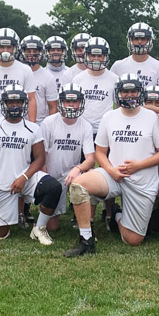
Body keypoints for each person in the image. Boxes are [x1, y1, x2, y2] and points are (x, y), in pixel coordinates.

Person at [64, 74, 159, 255]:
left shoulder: (152, 118)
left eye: (133, 91)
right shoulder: (109, 117)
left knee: (133, 240)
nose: (129, 95)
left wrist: (138, 166)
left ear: (140, 93)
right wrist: (111, 170)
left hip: (142, 182)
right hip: (113, 176)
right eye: (125, 91)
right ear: (118, 93)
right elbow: (100, 152)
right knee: (78, 185)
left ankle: (116, 214)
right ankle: (86, 239)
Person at [0, 84, 62, 243]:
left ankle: (39, 228)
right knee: (0, 235)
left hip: (27, 178)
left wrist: (24, 177)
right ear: (4, 104)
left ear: (25, 104)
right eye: (10, 102)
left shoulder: (33, 128)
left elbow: (40, 158)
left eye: (19, 102)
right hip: (1, 185)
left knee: (53, 187)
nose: (15, 105)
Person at [40, 84, 95, 232]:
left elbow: (90, 159)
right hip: (52, 174)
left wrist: (78, 169)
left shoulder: (86, 126)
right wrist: (46, 179)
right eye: (67, 101)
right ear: (61, 102)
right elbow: (42, 154)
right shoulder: (49, 122)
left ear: (81, 102)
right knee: (51, 227)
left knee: (90, 174)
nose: (71, 105)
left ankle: (87, 220)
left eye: (75, 101)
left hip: (72, 175)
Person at [111, 23, 159, 108]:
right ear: (130, 40)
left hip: (150, 114)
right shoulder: (118, 66)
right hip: (124, 114)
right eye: (136, 38)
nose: (139, 42)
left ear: (149, 40)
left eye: (143, 38)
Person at [70, 37, 120, 134]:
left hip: (105, 129)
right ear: (87, 56)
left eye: (99, 55)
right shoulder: (78, 79)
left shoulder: (114, 79)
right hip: (82, 129)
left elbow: (118, 106)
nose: (96, 59)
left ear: (105, 56)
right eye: (93, 55)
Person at [19, 35, 59, 124]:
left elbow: (52, 106)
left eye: (35, 51)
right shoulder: (16, 73)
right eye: (28, 51)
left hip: (40, 124)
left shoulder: (48, 77)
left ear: (41, 52)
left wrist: (49, 126)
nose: (32, 54)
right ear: (23, 52)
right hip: (17, 122)